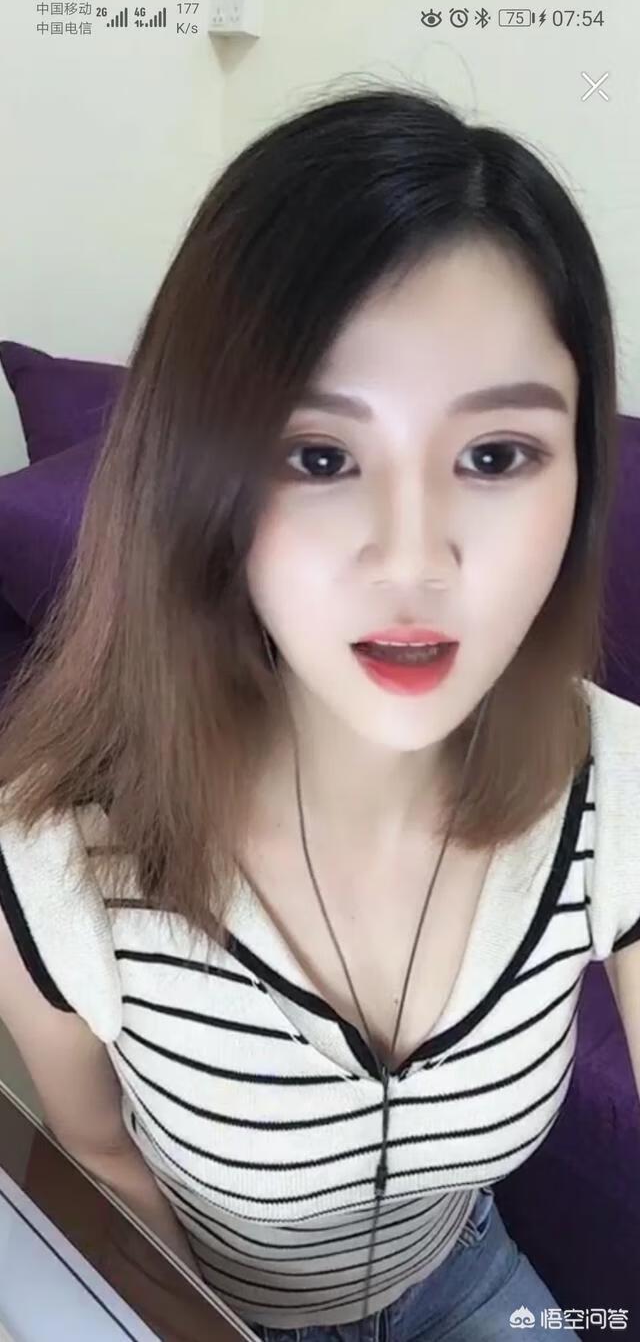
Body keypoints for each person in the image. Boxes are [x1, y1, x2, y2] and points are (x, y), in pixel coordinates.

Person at [0, 84, 638, 1342]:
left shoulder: (616, 786)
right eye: (319, 455)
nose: (413, 559)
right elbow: (102, 1159)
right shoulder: (57, 851)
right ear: (199, 483)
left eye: (495, 455)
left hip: (470, 1277)